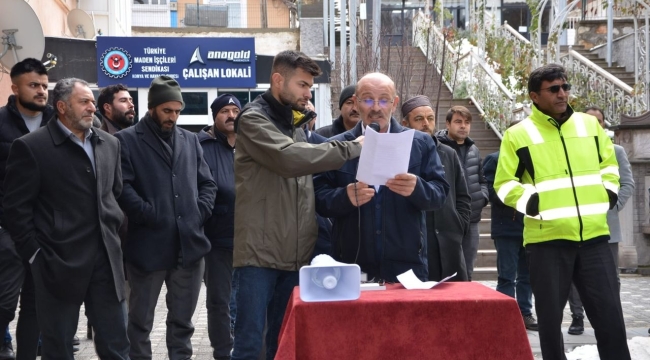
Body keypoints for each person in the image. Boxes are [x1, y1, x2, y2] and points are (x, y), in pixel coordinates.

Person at [232, 50, 363, 360]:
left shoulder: (296, 125)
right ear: (278, 80)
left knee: (284, 344)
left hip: (297, 256)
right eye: (303, 85)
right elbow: (291, 159)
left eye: (310, 87)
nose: (308, 93)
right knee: (250, 346)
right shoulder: (252, 119)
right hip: (258, 257)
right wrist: (352, 148)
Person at [494, 63, 630, 360]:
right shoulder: (518, 134)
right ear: (534, 96)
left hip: (594, 238)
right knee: (550, 323)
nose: (562, 93)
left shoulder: (589, 125)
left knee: (610, 318)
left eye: (565, 87)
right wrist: (534, 204)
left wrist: (608, 193)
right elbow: (504, 184)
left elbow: (609, 165)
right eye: (553, 89)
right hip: (547, 242)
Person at [3, 77, 130, 360]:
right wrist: (35, 255)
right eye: (83, 102)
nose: (91, 108)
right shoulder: (31, 147)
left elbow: (114, 195)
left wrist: (114, 236)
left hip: (107, 264)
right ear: (61, 106)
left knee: (117, 347)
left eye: (92, 102)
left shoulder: (110, 144)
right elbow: (15, 209)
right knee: (58, 348)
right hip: (56, 263)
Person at [114, 76, 217, 360]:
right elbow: (122, 187)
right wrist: (150, 214)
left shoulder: (190, 140)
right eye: (167, 111)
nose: (173, 117)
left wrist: (199, 212)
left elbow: (207, 183)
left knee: (183, 324)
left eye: (177, 111)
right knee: (139, 323)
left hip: (190, 247)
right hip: (147, 248)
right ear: (152, 107)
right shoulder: (125, 141)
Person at [314, 73, 449, 283]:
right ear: (357, 103)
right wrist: (345, 197)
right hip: (352, 265)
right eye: (367, 99)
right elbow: (318, 199)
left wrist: (417, 188)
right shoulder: (336, 146)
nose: (376, 107)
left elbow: (440, 194)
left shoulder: (419, 143)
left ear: (394, 103)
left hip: (407, 266)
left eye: (384, 100)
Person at [0, 58, 54, 360]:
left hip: (45, 231)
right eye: (34, 85)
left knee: (36, 305)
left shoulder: (56, 122)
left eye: (45, 86)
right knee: (5, 303)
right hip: (8, 230)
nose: (42, 91)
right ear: (15, 87)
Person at [565, 106, 635, 336]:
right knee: (575, 274)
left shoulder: (615, 151)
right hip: (574, 225)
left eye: (600, 121)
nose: (596, 124)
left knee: (609, 277)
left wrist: (611, 207)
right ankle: (577, 316)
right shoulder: (570, 150)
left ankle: (611, 317)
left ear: (604, 125)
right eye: (590, 120)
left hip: (607, 226)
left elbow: (627, 184)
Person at [400, 95, 470, 281]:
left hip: (448, 242)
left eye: (430, 118)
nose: (426, 124)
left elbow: (463, 196)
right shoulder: (398, 153)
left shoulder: (448, 153)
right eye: (419, 119)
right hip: (414, 243)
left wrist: (459, 224)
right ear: (405, 123)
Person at [483, 118, 538, 331]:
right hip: (506, 226)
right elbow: (490, 191)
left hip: (531, 226)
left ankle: (525, 313)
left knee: (527, 275)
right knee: (507, 275)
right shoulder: (495, 159)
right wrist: (517, 194)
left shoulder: (535, 157)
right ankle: (504, 315)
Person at [199, 93, 240, 360]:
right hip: (216, 240)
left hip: (250, 239)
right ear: (215, 115)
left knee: (248, 300)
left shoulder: (251, 145)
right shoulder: (200, 146)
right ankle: (223, 352)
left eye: (235, 111)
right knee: (220, 302)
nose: (231, 116)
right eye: (225, 110)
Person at [436, 106, 488, 280]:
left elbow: (482, 180)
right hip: (448, 219)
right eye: (458, 122)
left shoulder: (474, 149)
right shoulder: (439, 148)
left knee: (468, 271)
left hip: (471, 220)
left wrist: (482, 198)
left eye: (467, 122)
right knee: (448, 271)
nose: (463, 126)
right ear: (448, 124)